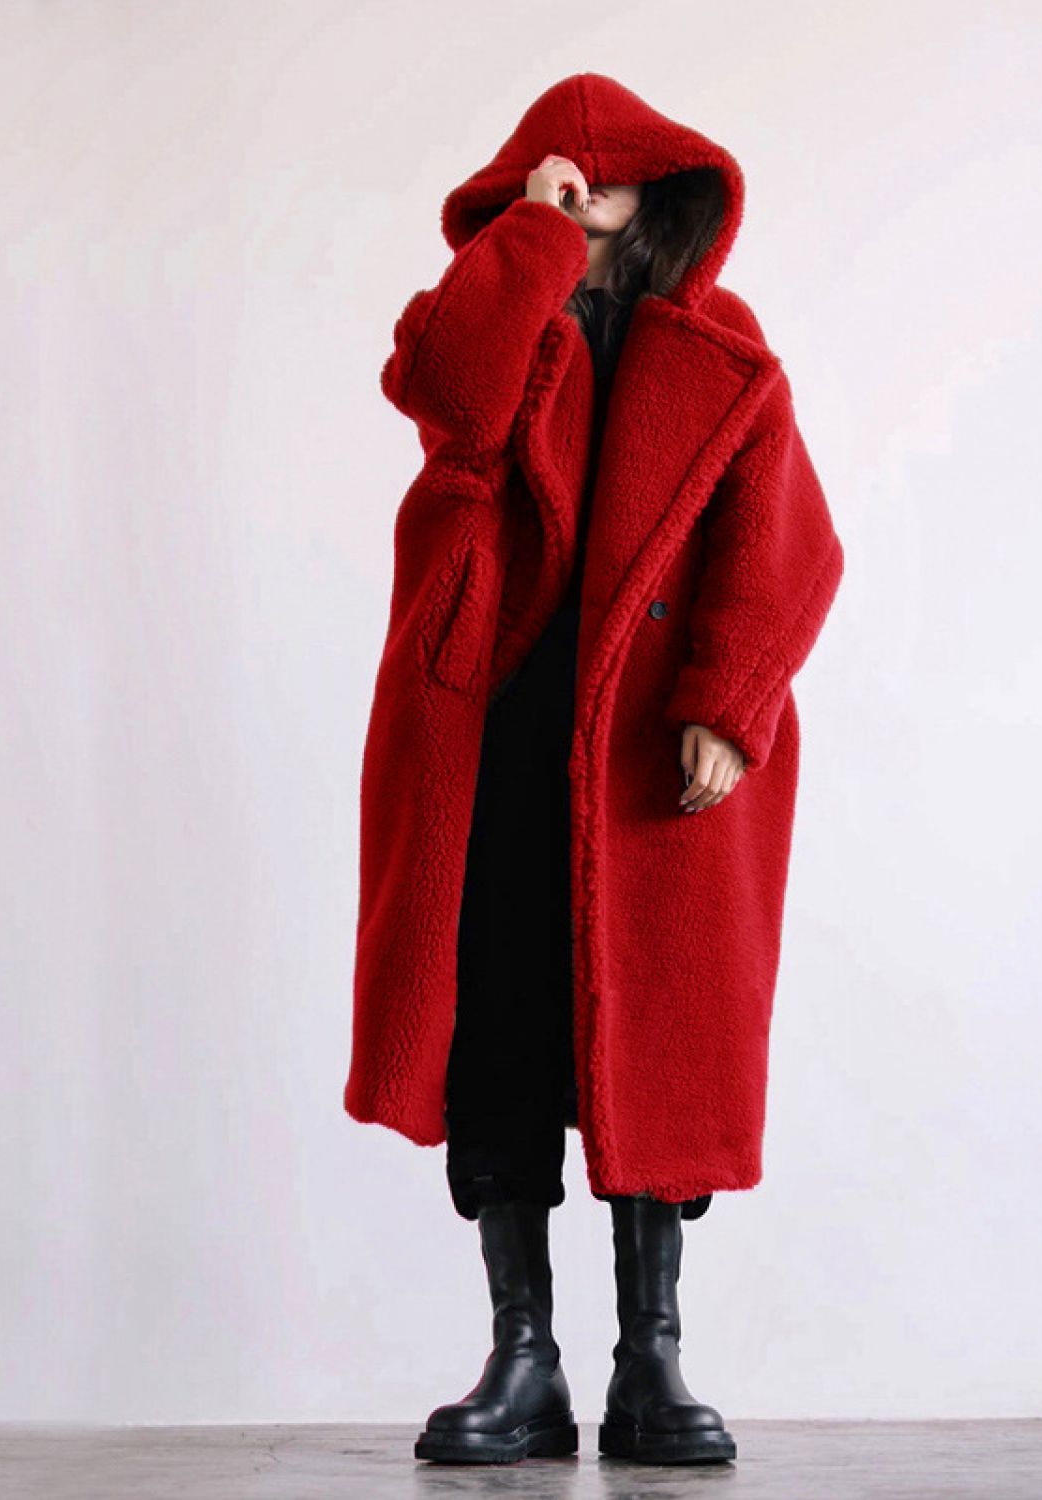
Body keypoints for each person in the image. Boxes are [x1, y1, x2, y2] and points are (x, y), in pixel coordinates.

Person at [346, 73, 845, 1468]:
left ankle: (650, 1360)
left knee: (655, 1037)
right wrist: (531, 240)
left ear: (666, 187)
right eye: (561, 168)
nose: (589, 177)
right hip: (495, 723)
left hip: (650, 746)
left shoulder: (727, 346)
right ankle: (522, 1360)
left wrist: (727, 703)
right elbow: (454, 401)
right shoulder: (486, 314)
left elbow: (787, 540)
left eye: (613, 167)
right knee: (498, 1019)